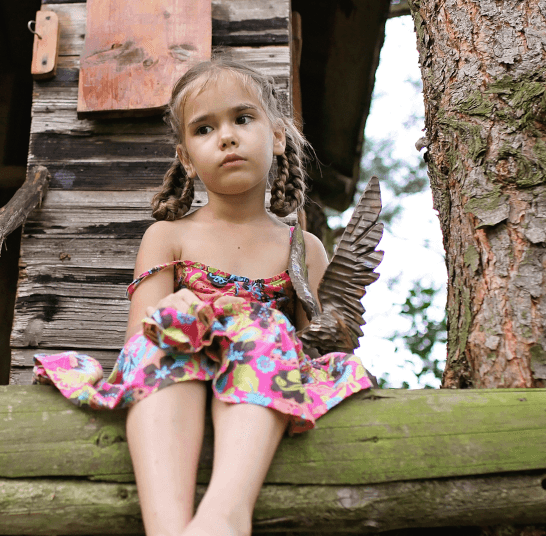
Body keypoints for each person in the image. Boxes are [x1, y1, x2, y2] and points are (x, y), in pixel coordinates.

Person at [34, 59, 372, 536]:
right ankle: (167, 526)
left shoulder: (302, 247)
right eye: (205, 128)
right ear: (187, 159)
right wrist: (175, 312)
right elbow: (137, 339)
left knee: (266, 328)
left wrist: (321, 332)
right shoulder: (168, 236)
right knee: (158, 341)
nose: (227, 137)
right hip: (176, 372)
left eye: (243, 118)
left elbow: (314, 347)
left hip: (261, 385)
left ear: (277, 136)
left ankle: (224, 515)